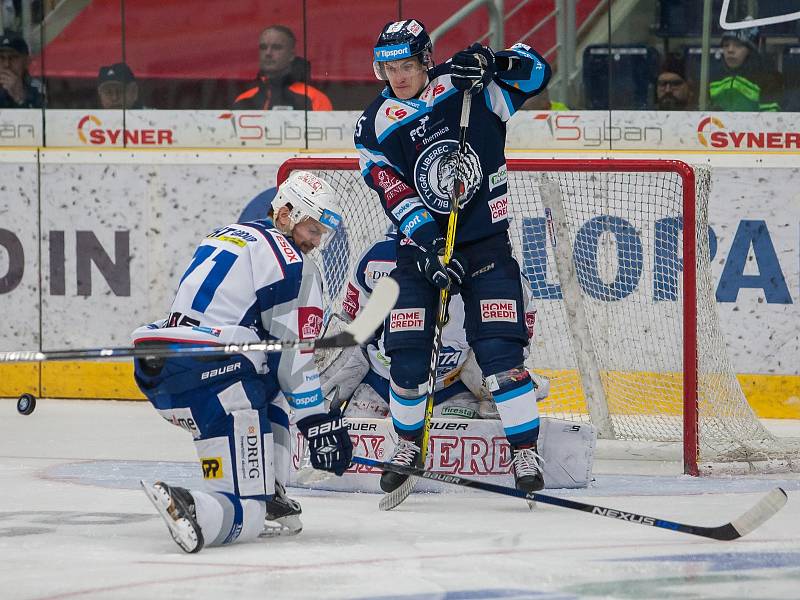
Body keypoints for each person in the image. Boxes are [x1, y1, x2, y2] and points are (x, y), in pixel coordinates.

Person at [354, 19, 551, 494]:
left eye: (406, 65)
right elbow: (395, 193)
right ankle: (407, 444)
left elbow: (538, 74)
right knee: (405, 358)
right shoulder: (372, 124)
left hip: (484, 245)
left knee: (502, 356)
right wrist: (426, 247)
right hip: (419, 251)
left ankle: (524, 452)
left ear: (426, 59)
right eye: (388, 68)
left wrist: (495, 62)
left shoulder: (469, 87)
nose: (397, 77)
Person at [132, 170, 352, 553]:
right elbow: (292, 359)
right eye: (312, 230)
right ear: (284, 213)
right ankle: (198, 506)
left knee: (272, 389)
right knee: (247, 515)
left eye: (321, 234)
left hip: (165, 365)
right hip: (219, 377)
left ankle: (269, 490)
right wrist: (319, 424)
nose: (316, 243)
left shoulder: (228, 234)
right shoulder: (293, 265)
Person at [321, 228, 550, 420]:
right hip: (381, 383)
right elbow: (351, 321)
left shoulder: (503, 276)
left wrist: (486, 371)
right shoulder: (378, 259)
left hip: (451, 389)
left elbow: (516, 346)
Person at [234, 25, 332, 111]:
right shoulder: (243, 100)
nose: (268, 53)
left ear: (291, 55)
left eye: (276, 47)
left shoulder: (314, 99)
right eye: (263, 47)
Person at [709, 20, 782, 112]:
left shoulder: (768, 78)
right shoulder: (713, 77)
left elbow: (770, 120)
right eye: (726, 45)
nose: (730, 50)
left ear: (750, 51)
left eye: (738, 45)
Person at [0, 30, 43, 108]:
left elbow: (44, 117)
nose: (7, 64)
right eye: (1, 58)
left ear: (26, 62)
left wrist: (19, 98)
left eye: (13, 57)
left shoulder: (38, 88)